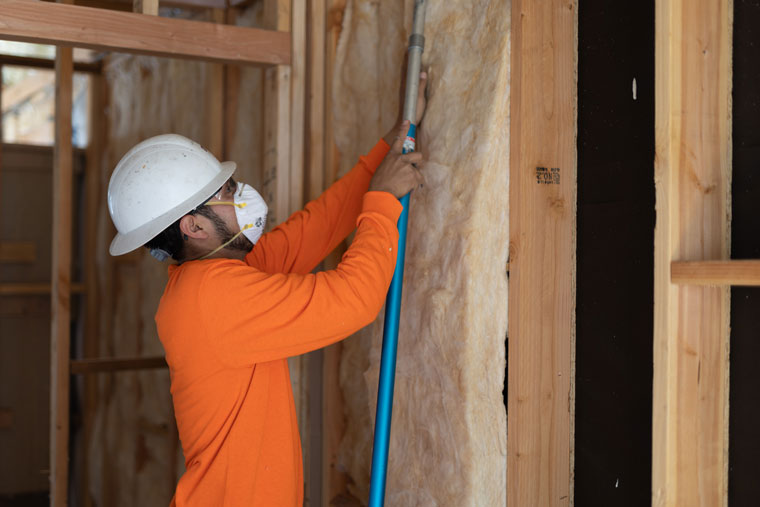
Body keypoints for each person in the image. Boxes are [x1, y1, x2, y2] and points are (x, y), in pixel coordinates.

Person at [106, 73, 427, 506]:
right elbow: (353, 299)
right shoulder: (216, 300)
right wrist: (383, 202)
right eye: (228, 192)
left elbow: (311, 232)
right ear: (195, 225)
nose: (243, 195)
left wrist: (382, 157)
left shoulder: (212, 276)